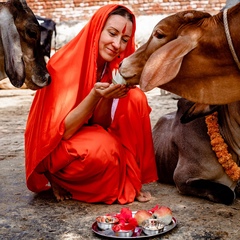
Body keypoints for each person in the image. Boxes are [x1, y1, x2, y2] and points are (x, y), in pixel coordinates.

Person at [25, 4, 158, 204]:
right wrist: (95, 96)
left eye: (124, 40)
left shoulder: (110, 67)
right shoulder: (63, 66)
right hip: (55, 148)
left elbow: (101, 124)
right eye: (112, 33)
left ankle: (130, 178)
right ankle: (59, 178)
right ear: (97, 29)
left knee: (135, 99)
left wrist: (108, 97)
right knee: (105, 148)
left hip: (86, 136)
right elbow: (64, 132)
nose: (116, 45)